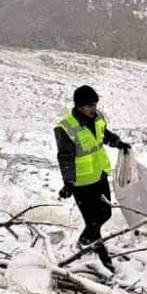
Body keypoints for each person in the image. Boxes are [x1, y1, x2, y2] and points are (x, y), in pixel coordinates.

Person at [55, 85, 130, 271]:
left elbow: (103, 134)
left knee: (106, 213)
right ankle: (105, 261)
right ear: (79, 106)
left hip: (99, 174)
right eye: (90, 105)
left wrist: (117, 142)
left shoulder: (98, 118)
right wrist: (68, 183)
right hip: (81, 183)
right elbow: (65, 158)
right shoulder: (66, 128)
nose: (94, 108)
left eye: (95, 104)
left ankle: (85, 240)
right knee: (93, 223)